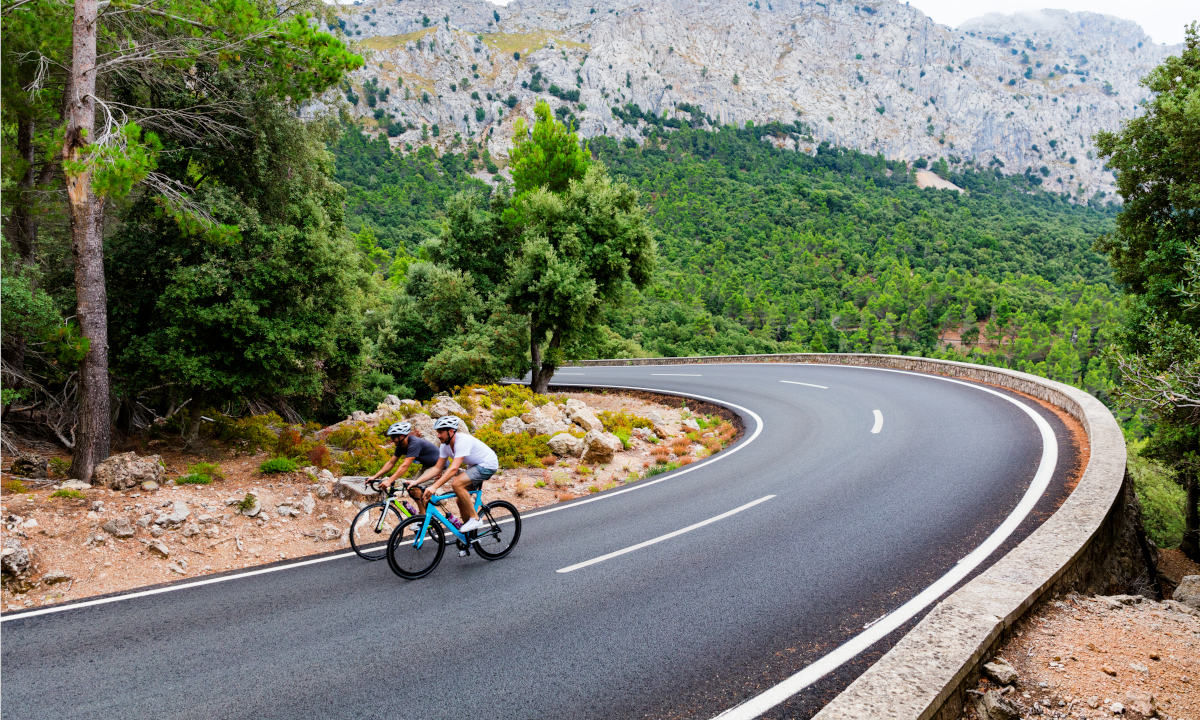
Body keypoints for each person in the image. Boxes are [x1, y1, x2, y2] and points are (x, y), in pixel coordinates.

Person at [413, 415, 498, 536]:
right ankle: (470, 536)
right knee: (460, 500)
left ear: (451, 431)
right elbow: (437, 468)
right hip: (474, 466)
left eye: (441, 432)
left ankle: (475, 519)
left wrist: (434, 487)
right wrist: (416, 482)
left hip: (488, 464)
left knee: (457, 483)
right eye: (437, 432)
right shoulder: (444, 446)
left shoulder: (462, 441)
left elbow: (453, 469)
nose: (438, 435)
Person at [366, 422, 440, 511]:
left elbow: (405, 465)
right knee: (411, 487)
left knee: (415, 487)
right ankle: (424, 515)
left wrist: (389, 481)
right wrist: (374, 476)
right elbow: (391, 463)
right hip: (427, 466)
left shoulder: (414, 443)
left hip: (438, 466)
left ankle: (424, 515)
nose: (392, 440)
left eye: (393, 437)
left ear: (401, 436)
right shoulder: (400, 445)